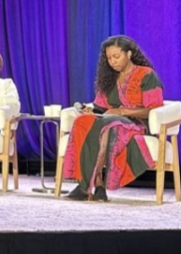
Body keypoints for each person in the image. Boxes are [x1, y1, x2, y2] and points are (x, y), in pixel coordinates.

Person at [63, 34, 164, 202]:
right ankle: (99, 185)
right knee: (83, 122)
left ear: (129, 54)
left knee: (109, 123)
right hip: (109, 122)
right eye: (109, 58)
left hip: (136, 124)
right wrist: (90, 110)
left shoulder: (147, 75)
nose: (113, 62)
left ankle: (84, 186)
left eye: (117, 57)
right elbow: (101, 108)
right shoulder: (109, 78)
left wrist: (122, 112)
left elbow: (152, 110)